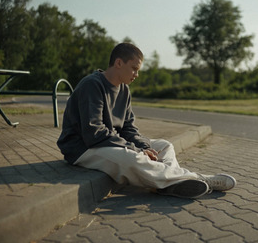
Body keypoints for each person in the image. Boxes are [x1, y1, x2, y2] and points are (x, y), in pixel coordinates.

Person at [57, 43, 236, 198]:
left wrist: (143, 147)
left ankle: (167, 185)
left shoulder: (124, 90)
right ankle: (196, 178)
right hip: (83, 148)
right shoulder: (92, 85)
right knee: (132, 158)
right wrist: (135, 150)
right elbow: (93, 133)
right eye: (134, 68)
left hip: (107, 144)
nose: (137, 74)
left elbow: (128, 128)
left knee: (164, 146)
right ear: (119, 63)